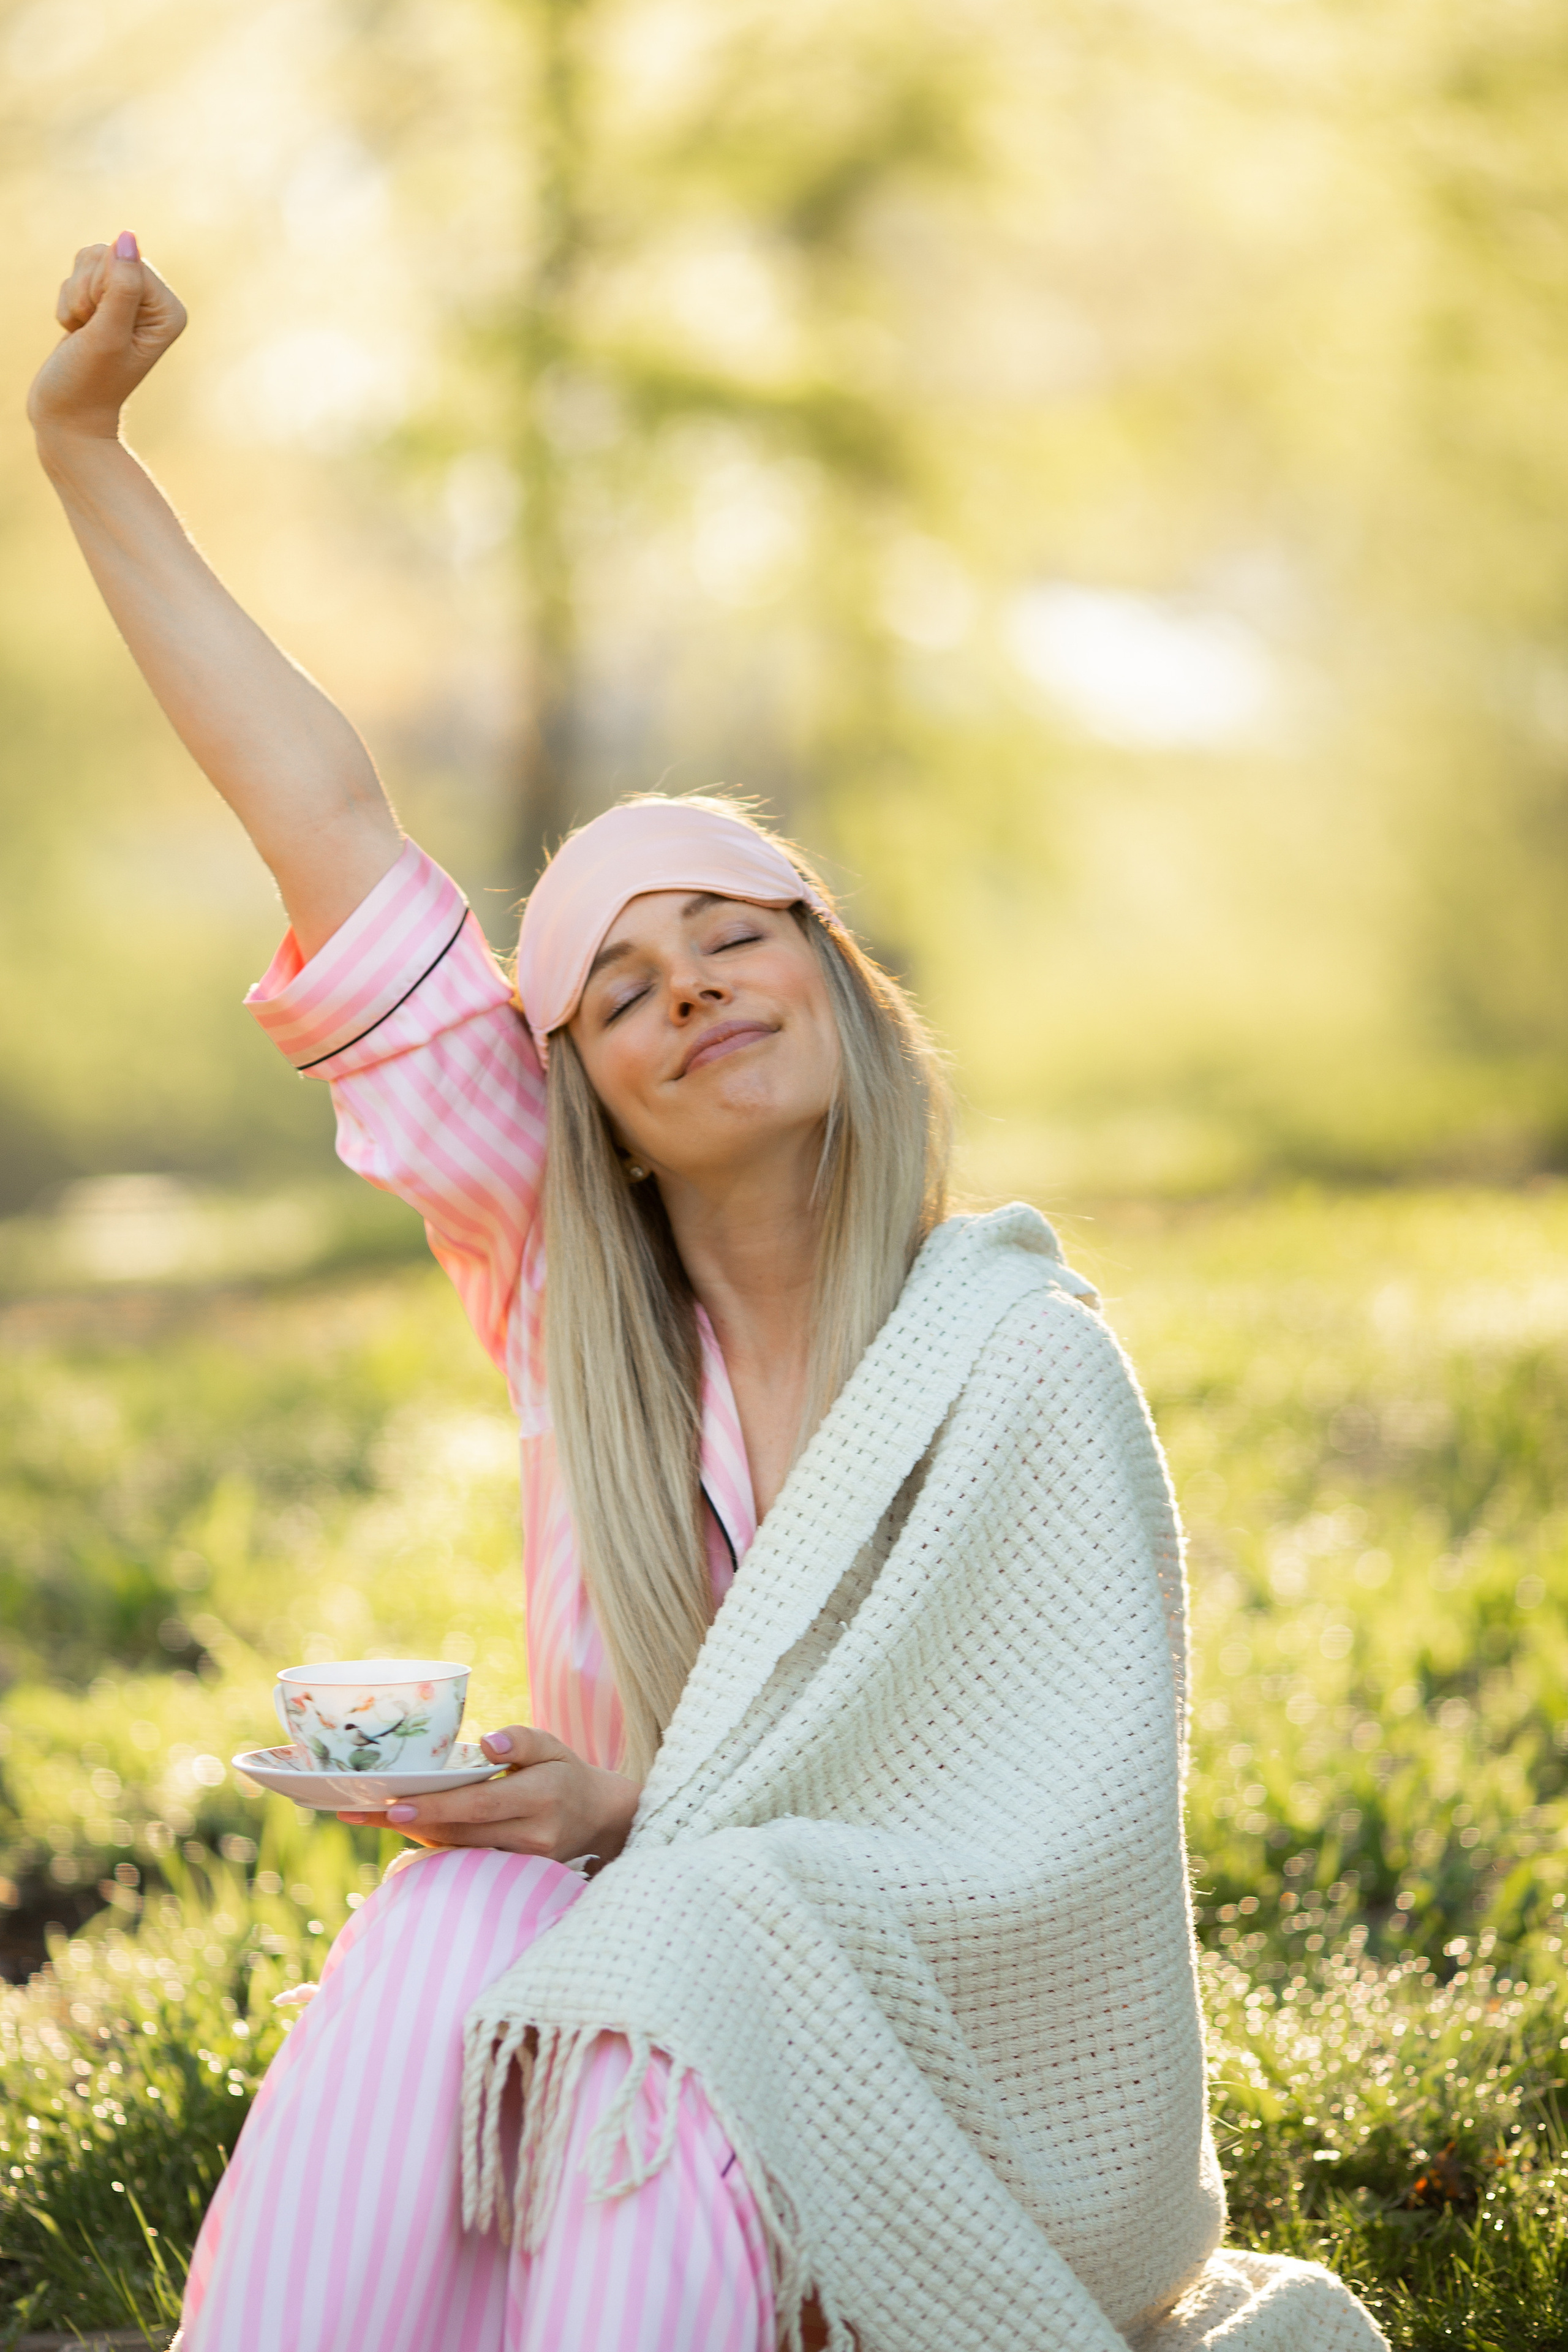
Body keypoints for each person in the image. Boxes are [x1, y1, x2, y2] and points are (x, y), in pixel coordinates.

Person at [29, 238, 1388, 2352]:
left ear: (836, 978)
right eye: (624, 988)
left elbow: (1043, 1842)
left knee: (672, 1957)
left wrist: (637, 1817)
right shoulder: (567, 1279)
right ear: (591, 1107)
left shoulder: (1013, 1362)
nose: (695, 996)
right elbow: (326, 816)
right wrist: (83, 445)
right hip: (625, 1983)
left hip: (902, 2049)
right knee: (449, 1919)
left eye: (734, 937)